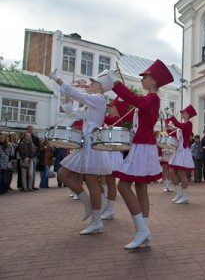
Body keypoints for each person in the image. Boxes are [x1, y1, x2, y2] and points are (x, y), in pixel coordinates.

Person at [106, 59, 173, 249]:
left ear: (154, 82)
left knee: (123, 187)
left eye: (146, 77)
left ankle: (142, 230)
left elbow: (134, 100)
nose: (142, 79)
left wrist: (116, 84)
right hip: (143, 145)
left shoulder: (152, 99)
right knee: (140, 189)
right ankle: (144, 231)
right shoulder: (149, 99)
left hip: (143, 147)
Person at [49, 69, 114, 235]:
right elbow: (72, 113)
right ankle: (87, 203)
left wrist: (59, 80)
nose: (90, 84)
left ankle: (97, 220)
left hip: (91, 144)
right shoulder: (93, 102)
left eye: (93, 82)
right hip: (86, 143)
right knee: (63, 174)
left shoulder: (99, 99)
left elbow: (81, 96)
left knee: (92, 181)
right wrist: (67, 96)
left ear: (100, 86)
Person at [101, 97, 134, 220]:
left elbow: (105, 119)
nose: (109, 109)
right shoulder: (111, 119)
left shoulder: (115, 119)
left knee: (110, 183)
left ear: (117, 108)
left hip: (112, 152)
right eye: (109, 106)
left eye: (111, 106)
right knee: (104, 180)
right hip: (106, 151)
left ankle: (110, 209)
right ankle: (107, 206)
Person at [166, 104, 196, 204]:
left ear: (188, 115)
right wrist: (168, 125)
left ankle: (185, 195)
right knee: (171, 171)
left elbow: (179, 125)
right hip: (178, 151)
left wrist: (171, 116)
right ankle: (179, 193)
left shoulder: (188, 124)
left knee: (182, 173)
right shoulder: (179, 127)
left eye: (183, 112)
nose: (182, 114)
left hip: (183, 150)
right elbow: (170, 133)